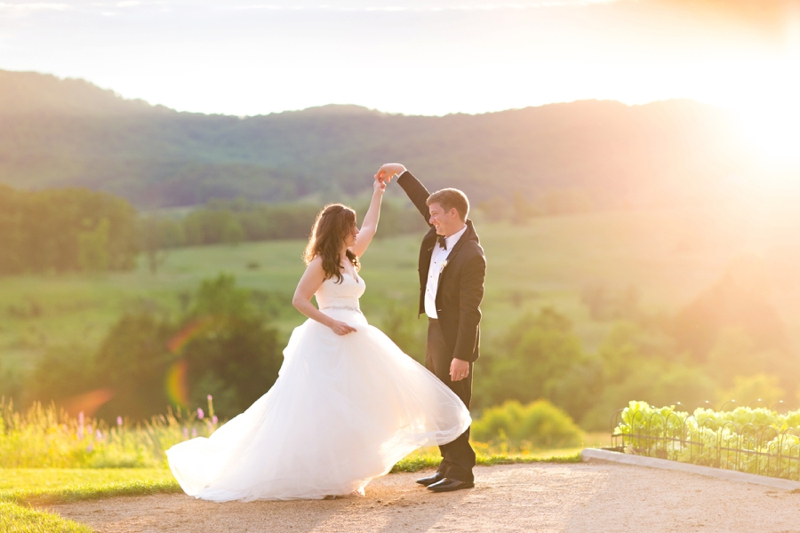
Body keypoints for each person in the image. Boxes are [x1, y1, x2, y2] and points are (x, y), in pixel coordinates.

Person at [166, 177, 471, 502]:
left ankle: (345, 473)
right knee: (326, 408)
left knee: (356, 407)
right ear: (340, 229)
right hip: (329, 340)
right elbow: (299, 299)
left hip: (357, 341)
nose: (356, 232)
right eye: (351, 227)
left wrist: (377, 194)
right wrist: (331, 322)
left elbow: (370, 227)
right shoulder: (321, 263)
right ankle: (325, 477)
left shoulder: (350, 256)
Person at [375, 163, 485, 493]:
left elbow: (471, 312)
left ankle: (462, 472)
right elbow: (424, 200)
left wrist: (462, 356)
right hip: (434, 330)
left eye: (436, 215)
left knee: (455, 405)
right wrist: (402, 173)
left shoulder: (471, 255)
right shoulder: (442, 231)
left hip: (455, 339)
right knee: (438, 402)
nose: (431, 219)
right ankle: (447, 465)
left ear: (454, 213)